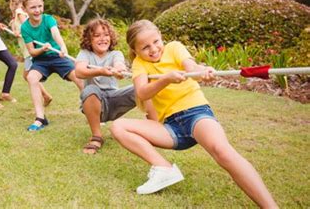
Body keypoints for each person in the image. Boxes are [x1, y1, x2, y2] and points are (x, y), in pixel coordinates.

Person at [109, 20, 277, 208]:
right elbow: (142, 92)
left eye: (156, 42)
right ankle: (163, 168)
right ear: (135, 50)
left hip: (196, 113)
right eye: (145, 47)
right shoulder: (139, 64)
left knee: (223, 153)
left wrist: (202, 71)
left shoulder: (173, 48)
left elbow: (191, 67)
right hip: (171, 127)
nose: (154, 49)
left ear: (161, 38)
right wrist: (166, 79)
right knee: (118, 126)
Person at [20, 0, 83, 131]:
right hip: (41, 59)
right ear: (25, 9)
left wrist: (62, 46)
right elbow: (32, 52)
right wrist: (42, 49)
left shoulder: (48, 19)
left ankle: (93, 110)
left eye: (39, 6)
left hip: (57, 56)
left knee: (79, 77)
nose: (37, 10)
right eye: (33, 7)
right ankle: (40, 118)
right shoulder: (25, 28)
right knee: (31, 77)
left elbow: (56, 33)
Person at [75, 18, 136, 154]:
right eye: (97, 36)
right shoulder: (85, 54)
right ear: (89, 39)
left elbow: (119, 65)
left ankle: (153, 126)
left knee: (140, 88)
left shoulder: (116, 54)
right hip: (94, 103)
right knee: (90, 90)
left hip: (114, 101)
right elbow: (79, 72)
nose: (103, 39)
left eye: (106, 35)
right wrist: (101, 71)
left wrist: (118, 71)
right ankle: (97, 137)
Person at [9, 0, 53, 107]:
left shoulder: (19, 11)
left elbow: (26, 26)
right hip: (26, 50)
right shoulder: (19, 14)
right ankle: (45, 96)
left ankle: (45, 96)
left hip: (29, 49)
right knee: (27, 76)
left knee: (29, 76)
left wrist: (20, 32)